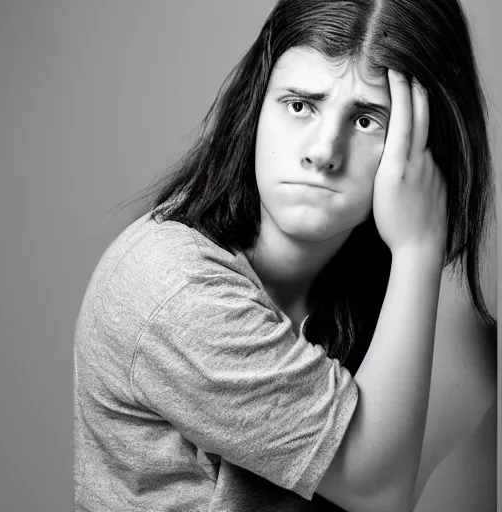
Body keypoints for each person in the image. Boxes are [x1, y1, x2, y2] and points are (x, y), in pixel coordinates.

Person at [73, 0, 495, 511]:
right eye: (300, 105)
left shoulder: (410, 309)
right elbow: (377, 489)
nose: (323, 151)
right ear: (256, 108)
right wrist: (418, 248)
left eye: (366, 119)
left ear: (426, 147)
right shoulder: (174, 288)